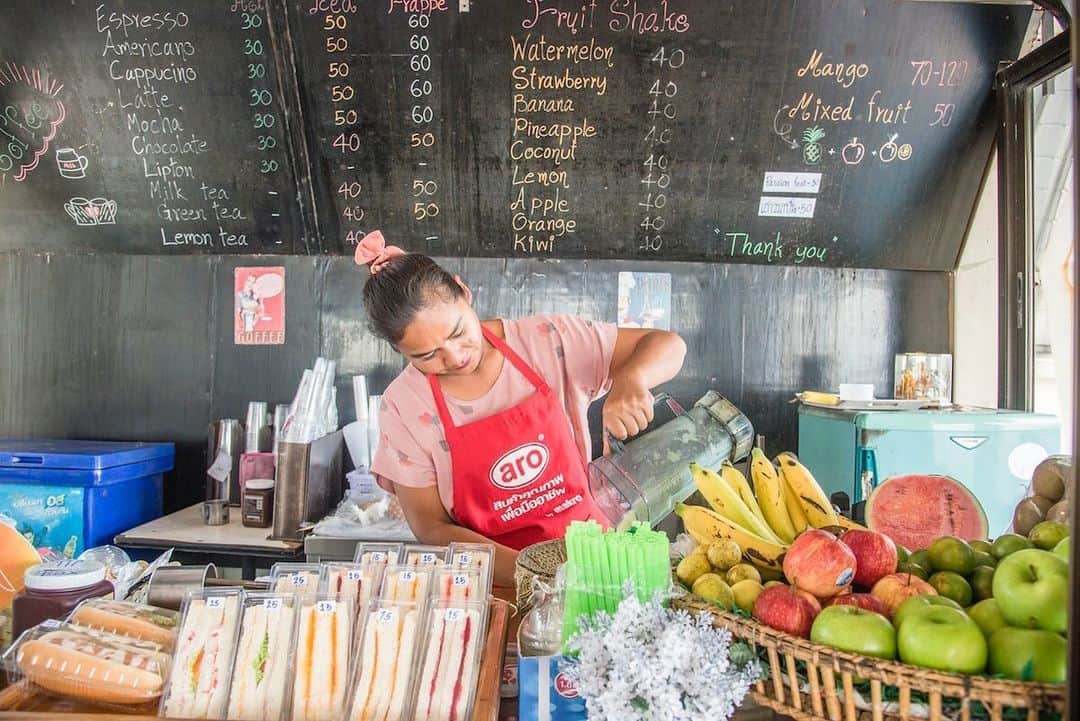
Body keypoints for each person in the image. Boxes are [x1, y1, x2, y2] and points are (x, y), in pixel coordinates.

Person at [357, 231, 687, 586]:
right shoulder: (404, 406)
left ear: (463, 291)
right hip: (497, 583)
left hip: (597, 564)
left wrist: (631, 379)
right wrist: (534, 575)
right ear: (399, 351)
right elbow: (430, 526)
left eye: (457, 333)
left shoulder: (547, 340)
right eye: (426, 356)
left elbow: (667, 345)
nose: (454, 357)